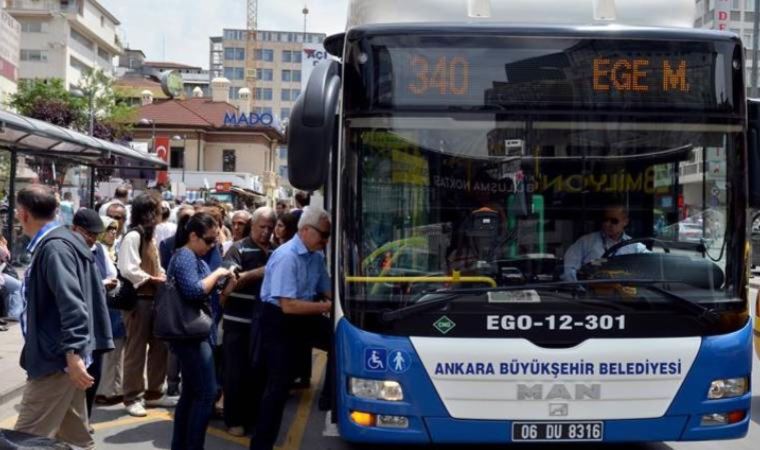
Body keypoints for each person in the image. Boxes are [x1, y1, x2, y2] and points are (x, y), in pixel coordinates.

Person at [13, 186, 113, 450]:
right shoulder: (63, 242)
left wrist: (72, 354)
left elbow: (73, 305)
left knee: (23, 441)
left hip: (56, 362)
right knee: (76, 440)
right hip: (64, 360)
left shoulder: (55, 248)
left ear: (23, 214)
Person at [248, 206, 333, 450]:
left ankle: (329, 399)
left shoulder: (316, 255)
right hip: (280, 319)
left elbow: (325, 287)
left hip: (303, 314)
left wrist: (338, 305)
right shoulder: (287, 256)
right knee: (278, 386)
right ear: (305, 231)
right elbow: (288, 305)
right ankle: (261, 445)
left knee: (339, 340)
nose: (326, 241)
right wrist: (326, 306)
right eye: (323, 235)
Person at [167, 212, 237, 450]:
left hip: (197, 332)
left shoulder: (196, 256)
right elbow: (194, 291)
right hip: (191, 335)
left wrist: (226, 284)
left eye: (215, 241)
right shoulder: (185, 255)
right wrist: (218, 273)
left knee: (192, 393)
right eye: (208, 241)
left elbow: (208, 294)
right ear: (193, 236)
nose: (212, 246)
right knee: (206, 394)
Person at [221, 207, 275, 436]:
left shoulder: (276, 251)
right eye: (261, 227)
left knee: (258, 373)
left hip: (263, 324)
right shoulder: (238, 248)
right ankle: (234, 419)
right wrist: (262, 271)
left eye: (269, 228)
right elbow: (231, 281)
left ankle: (252, 419)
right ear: (252, 226)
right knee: (235, 373)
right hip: (237, 322)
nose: (265, 232)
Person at [118, 192, 172, 417]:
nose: (162, 214)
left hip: (153, 299)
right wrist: (152, 278)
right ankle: (132, 396)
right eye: (159, 210)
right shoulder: (134, 236)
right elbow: (128, 268)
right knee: (136, 350)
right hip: (139, 301)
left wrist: (161, 275)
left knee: (159, 347)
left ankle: (154, 392)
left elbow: (153, 265)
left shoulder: (149, 237)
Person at [71, 209, 118, 417]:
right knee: (77, 378)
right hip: (78, 326)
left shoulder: (98, 250)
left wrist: (107, 285)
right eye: (88, 234)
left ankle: (85, 419)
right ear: (75, 229)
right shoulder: (66, 252)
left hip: (96, 321)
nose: (92, 239)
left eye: (94, 234)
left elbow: (112, 275)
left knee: (94, 374)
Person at [563, 204, 648, 281]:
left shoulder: (635, 247)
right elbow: (569, 268)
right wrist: (580, 289)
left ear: (625, 222)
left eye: (614, 221)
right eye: (605, 220)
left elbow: (652, 265)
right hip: (591, 294)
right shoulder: (585, 242)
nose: (608, 224)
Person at [95, 217, 127, 406]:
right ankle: (105, 391)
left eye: (115, 229)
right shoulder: (97, 251)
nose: (113, 232)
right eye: (109, 229)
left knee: (117, 350)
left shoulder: (115, 250)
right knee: (108, 351)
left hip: (116, 306)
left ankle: (115, 388)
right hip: (106, 306)